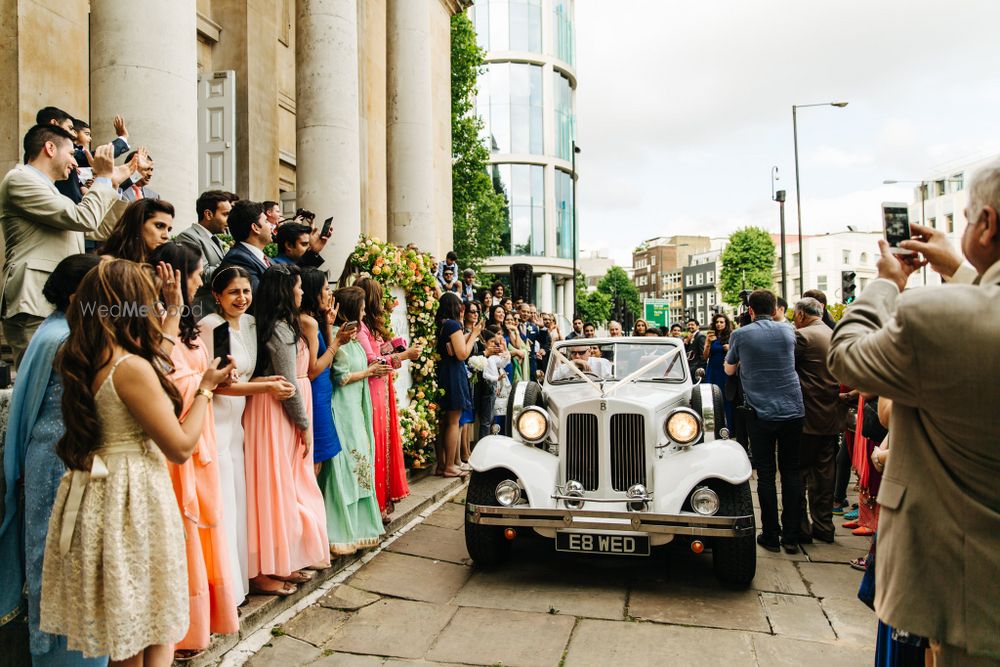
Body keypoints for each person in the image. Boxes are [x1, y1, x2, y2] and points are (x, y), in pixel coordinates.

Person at [827, 162, 1000, 664]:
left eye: (968, 218)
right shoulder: (964, 310)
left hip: (971, 590)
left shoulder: (935, 318)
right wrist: (964, 271)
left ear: (987, 224)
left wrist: (887, 284)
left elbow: (848, 357)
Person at [39, 259, 232, 664]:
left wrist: (175, 309)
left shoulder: (87, 354)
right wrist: (205, 391)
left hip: (102, 491)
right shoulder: (130, 368)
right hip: (134, 499)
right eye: (147, 301)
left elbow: (149, 365)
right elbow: (179, 446)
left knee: (133, 627)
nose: (153, 308)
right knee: (155, 625)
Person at [0, 254, 102, 666]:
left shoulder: (64, 330)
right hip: (60, 462)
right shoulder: (62, 338)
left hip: (66, 457)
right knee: (63, 563)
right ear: (80, 294)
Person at [148, 242, 240, 656]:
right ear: (174, 276)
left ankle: (198, 626)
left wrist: (213, 377)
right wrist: (203, 382)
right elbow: (163, 382)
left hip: (201, 430)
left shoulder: (186, 322)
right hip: (174, 439)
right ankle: (178, 632)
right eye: (196, 272)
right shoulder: (151, 322)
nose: (201, 280)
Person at [199, 266, 297, 605]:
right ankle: (222, 590)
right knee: (224, 503)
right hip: (217, 417)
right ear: (217, 296)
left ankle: (242, 580)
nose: (241, 298)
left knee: (240, 503)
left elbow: (249, 374)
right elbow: (219, 385)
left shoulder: (254, 325)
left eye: (245, 291)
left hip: (240, 421)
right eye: (233, 293)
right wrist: (267, 387)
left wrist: (266, 385)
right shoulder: (213, 327)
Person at [0, 124, 131, 366]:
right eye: (71, 153)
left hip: (61, 298)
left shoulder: (55, 194)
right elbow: (83, 218)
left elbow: (97, 228)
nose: (75, 161)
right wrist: (102, 177)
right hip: (34, 299)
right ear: (50, 148)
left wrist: (113, 184)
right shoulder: (20, 179)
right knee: (40, 386)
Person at [244, 265, 330, 596]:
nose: (301, 292)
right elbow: (287, 382)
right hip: (272, 413)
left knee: (288, 487)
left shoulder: (285, 326)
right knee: (272, 488)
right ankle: (267, 567)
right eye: (297, 287)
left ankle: (286, 557)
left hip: (281, 412)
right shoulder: (278, 331)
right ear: (284, 291)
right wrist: (304, 425)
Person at [724, 289, 804, 554]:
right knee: (792, 473)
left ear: (749, 310)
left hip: (760, 412)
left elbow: (729, 368)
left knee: (766, 474)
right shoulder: (788, 331)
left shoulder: (741, 334)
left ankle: (771, 534)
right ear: (775, 309)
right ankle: (792, 537)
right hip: (793, 409)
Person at [324, 286, 387, 554]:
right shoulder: (339, 341)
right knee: (348, 465)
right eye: (360, 307)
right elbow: (340, 377)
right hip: (344, 409)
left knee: (361, 463)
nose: (364, 312)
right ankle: (342, 532)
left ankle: (361, 530)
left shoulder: (353, 340)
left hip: (357, 408)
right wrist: (369, 372)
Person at [355, 277, 421, 519]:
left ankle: (382, 504)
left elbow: (379, 352)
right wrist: (404, 356)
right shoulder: (359, 328)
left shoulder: (370, 325)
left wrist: (395, 347)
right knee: (376, 444)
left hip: (382, 388)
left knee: (385, 442)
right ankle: (375, 507)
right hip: (372, 389)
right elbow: (373, 361)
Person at [792, 297, 840, 545]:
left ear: (800, 315)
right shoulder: (834, 334)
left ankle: (801, 528)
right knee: (825, 474)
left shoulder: (803, 337)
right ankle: (825, 525)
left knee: (798, 471)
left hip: (807, 414)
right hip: (831, 414)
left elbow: (789, 371)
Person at [296, 268, 351, 478]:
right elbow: (313, 370)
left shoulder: (313, 319)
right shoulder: (306, 322)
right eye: (326, 288)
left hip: (323, 390)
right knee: (315, 460)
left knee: (320, 459)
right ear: (313, 291)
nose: (330, 294)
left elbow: (327, 362)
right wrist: (337, 342)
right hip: (314, 393)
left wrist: (328, 325)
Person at [435, 292, 482, 478]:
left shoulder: (441, 325)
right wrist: (474, 335)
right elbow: (462, 354)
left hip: (444, 372)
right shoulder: (453, 325)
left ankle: (442, 464)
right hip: (454, 374)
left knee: (445, 421)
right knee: (454, 421)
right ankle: (449, 466)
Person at [176, 190, 239, 317]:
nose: (229, 221)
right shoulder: (188, 236)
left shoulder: (218, 239)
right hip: (202, 310)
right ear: (208, 214)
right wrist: (236, 262)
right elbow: (203, 274)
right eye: (225, 214)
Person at [98, 198, 174, 264]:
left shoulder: (158, 268)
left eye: (168, 230)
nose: (166, 236)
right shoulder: (107, 264)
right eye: (159, 226)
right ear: (138, 224)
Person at [220, 200, 273, 293]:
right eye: (266, 221)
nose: (271, 226)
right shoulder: (238, 259)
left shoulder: (263, 257)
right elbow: (260, 298)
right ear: (255, 228)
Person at [702, 313, 734, 430]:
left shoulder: (731, 336)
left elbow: (736, 354)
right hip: (712, 369)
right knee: (712, 398)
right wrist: (708, 344)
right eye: (717, 322)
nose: (719, 324)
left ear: (726, 323)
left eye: (721, 322)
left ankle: (729, 428)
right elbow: (705, 357)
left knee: (726, 398)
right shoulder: (710, 336)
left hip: (724, 369)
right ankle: (714, 427)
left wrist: (729, 348)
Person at [501, 310, 528, 383]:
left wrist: (516, 331)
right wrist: (515, 352)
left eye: (511, 320)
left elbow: (517, 346)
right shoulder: (500, 332)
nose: (510, 321)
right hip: (502, 362)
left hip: (511, 362)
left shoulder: (509, 331)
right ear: (503, 320)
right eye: (507, 320)